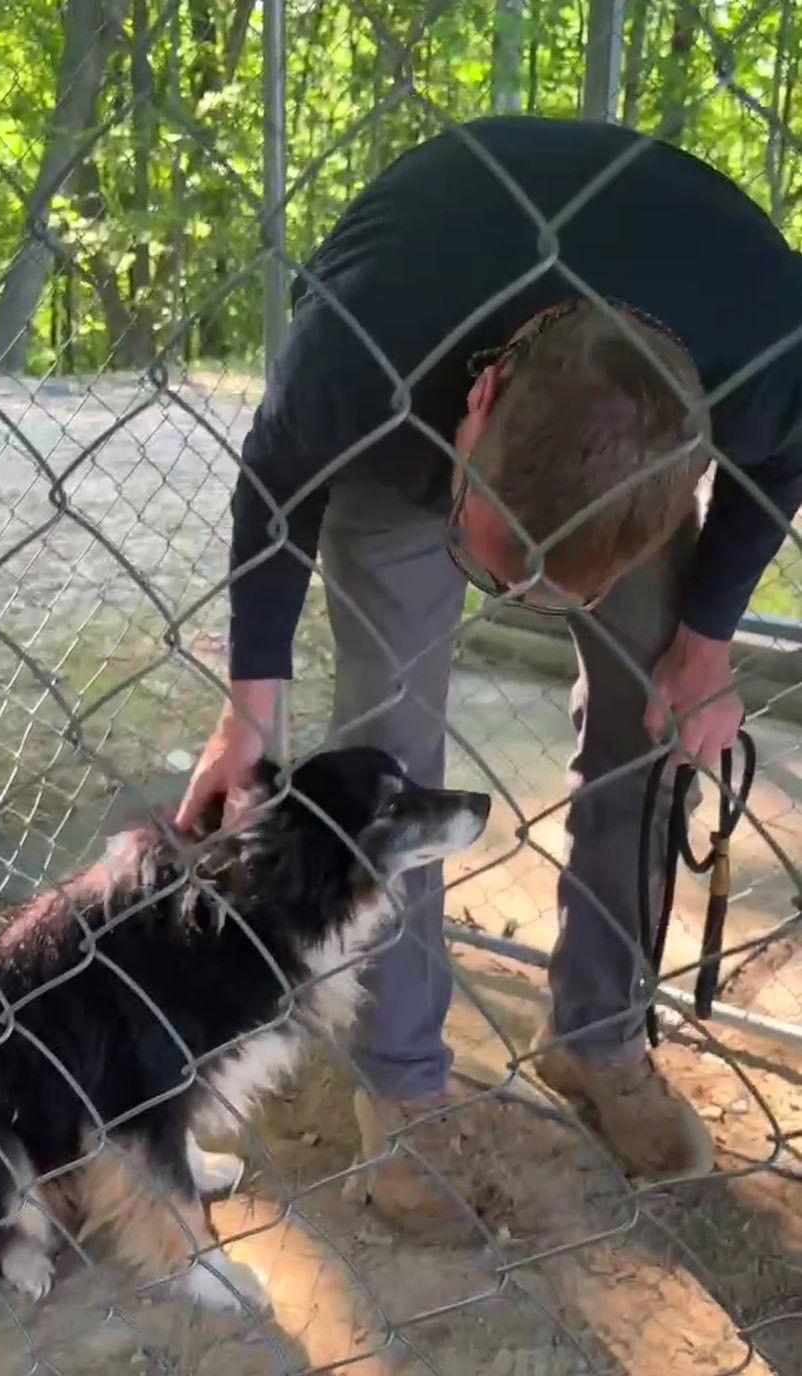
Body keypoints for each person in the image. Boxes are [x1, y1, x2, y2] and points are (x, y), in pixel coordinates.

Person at [176, 115, 802, 1235]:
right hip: (409, 412)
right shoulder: (362, 338)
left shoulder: (768, 338)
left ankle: (598, 1035)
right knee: (387, 764)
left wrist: (706, 642)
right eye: (495, 567)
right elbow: (276, 479)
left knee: (654, 717)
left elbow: (785, 457)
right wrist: (248, 713)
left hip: (626, 433)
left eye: (539, 591)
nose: (505, 604)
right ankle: (402, 1088)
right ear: (479, 402)